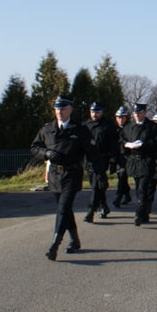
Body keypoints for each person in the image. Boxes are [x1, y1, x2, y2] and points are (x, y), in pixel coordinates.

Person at [30, 95, 97, 261]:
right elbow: (34, 147)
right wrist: (45, 153)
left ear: (70, 110)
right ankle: (75, 240)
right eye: (57, 108)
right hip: (54, 174)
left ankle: (54, 245)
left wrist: (99, 174)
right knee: (65, 209)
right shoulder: (48, 129)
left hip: (72, 174)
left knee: (63, 208)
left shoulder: (80, 130)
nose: (59, 112)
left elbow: (92, 153)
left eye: (63, 108)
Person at [120, 103, 157, 226]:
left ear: (144, 112)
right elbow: (121, 139)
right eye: (135, 113)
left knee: (143, 187)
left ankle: (139, 213)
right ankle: (144, 213)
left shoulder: (152, 127)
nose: (137, 115)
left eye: (139, 113)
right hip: (134, 160)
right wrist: (126, 145)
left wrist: (144, 144)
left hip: (146, 160)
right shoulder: (128, 127)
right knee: (138, 186)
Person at [83, 102, 116, 223]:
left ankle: (91, 211)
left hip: (102, 159)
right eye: (92, 111)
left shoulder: (108, 126)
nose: (94, 114)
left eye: (97, 112)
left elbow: (113, 144)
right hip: (89, 159)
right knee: (95, 185)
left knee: (97, 186)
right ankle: (104, 206)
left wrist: (113, 160)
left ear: (102, 112)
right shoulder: (85, 125)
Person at [111, 106, 132, 208]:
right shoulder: (113, 129)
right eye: (118, 117)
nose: (120, 119)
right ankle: (127, 195)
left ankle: (118, 198)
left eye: (122, 117)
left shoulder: (130, 128)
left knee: (122, 175)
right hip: (117, 156)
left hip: (128, 156)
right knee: (121, 177)